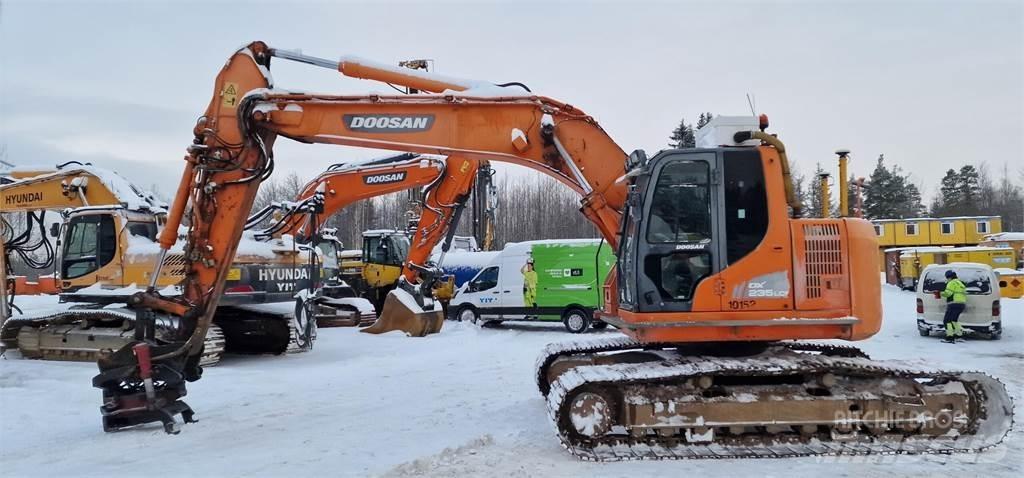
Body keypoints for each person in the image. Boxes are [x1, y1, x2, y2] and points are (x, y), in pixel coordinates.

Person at [939, 269, 966, 343]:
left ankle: (950, 337)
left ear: (949, 277)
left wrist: (940, 293)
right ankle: (959, 336)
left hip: (953, 304)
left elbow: (948, 293)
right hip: (962, 304)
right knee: (954, 320)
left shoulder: (951, 283)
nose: (947, 279)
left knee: (947, 320)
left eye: (947, 277)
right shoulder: (960, 283)